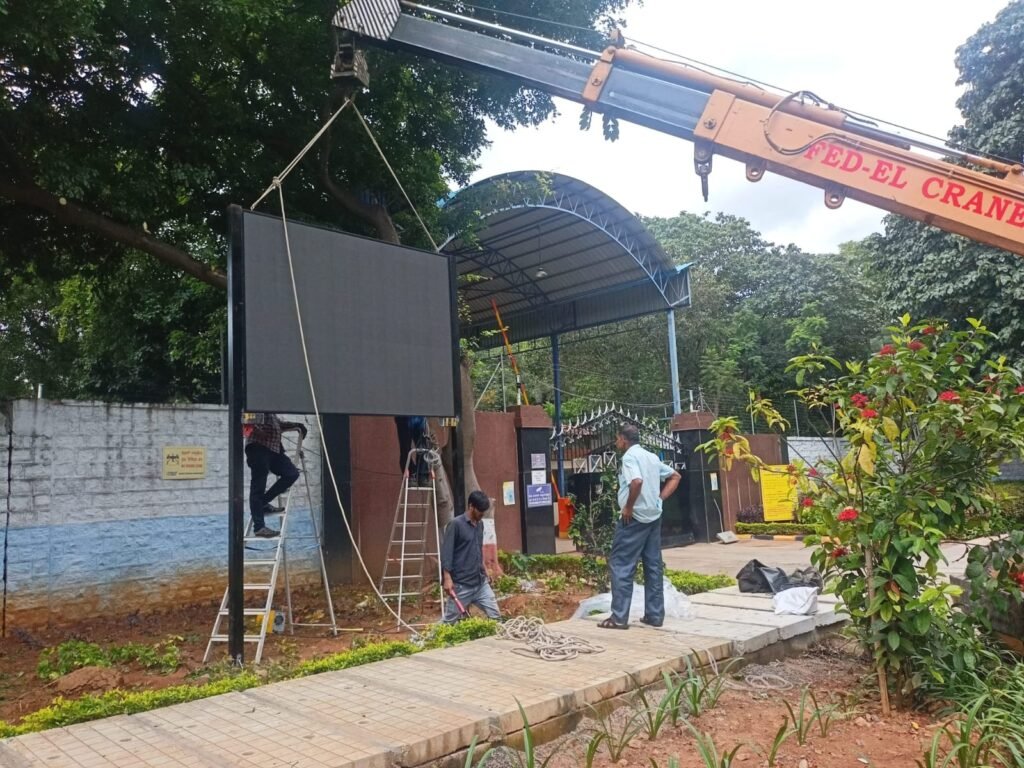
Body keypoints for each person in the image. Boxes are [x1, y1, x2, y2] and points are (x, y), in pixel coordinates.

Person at [599, 424, 681, 629]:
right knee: (653, 566)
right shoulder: (651, 457)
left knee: (621, 565)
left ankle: (619, 618)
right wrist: (659, 499)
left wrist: (628, 507)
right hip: (654, 517)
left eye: (617, 439)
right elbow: (675, 476)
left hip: (633, 519)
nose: (616, 442)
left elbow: (636, 482)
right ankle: (654, 615)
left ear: (623, 439)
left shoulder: (629, 457)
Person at [440, 490, 501, 623]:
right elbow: (447, 553)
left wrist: (484, 570)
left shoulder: (480, 525)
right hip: (461, 585)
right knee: (448, 622)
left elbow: (477, 549)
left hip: (480, 584)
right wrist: (447, 578)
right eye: (480, 511)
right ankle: (428, 637)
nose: (482, 514)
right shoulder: (455, 525)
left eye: (484, 512)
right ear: (471, 506)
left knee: (496, 616)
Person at [244, 413, 307, 538]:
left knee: (291, 474)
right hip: (258, 448)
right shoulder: (256, 406)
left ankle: (263, 503)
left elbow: (278, 424)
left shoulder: (270, 411)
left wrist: (296, 425)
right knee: (258, 486)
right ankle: (259, 527)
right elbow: (246, 420)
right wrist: (259, 431)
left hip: (273, 450)